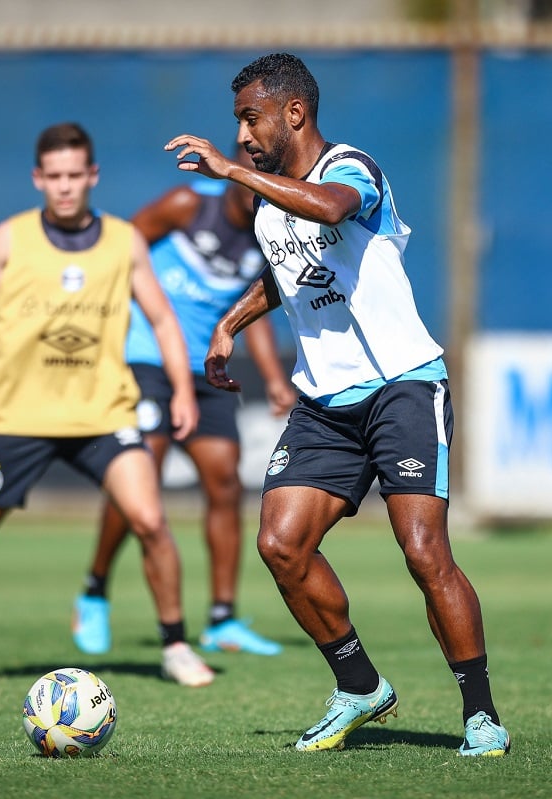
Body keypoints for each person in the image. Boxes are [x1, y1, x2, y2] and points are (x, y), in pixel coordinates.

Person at [164, 53, 511, 755]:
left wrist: (233, 174)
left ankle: (480, 713)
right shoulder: (270, 194)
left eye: (251, 117)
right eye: (237, 122)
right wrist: (231, 324)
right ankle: (359, 686)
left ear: (294, 112)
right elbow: (283, 270)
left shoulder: (351, 168)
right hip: (324, 401)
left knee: (423, 551)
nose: (241, 135)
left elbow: (328, 210)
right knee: (281, 544)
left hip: (403, 384)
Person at [0, 122, 214, 688]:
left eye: (75, 175)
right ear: (39, 178)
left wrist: (183, 389)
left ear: (93, 176)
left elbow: (162, 318)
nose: (65, 187)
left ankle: (175, 645)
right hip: (19, 418)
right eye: (54, 176)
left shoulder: (124, 241)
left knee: (151, 520)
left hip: (105, 414)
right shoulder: (7, 240)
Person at [72, 148, 297, 657]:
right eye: (245, 169)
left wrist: (273, 377)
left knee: (223, 482)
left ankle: (222, 618)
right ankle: (95, 590)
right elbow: (119, 251)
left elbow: (250, 310)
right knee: (139, 480)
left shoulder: (270, 230)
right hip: (147, 358)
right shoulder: (186, 204)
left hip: (206, 370)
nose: (253, 180)